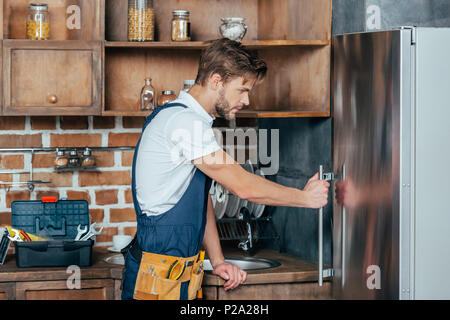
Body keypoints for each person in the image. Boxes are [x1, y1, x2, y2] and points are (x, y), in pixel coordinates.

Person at [121, 38, 330, 300]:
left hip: (175, 280)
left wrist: (218, 260)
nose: (246, 100)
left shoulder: (187, 120)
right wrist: (305, 198)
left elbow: (200, 200)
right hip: (155, 283)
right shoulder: (185, 123)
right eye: (242, 89)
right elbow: (243, 186)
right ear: (216, 81)